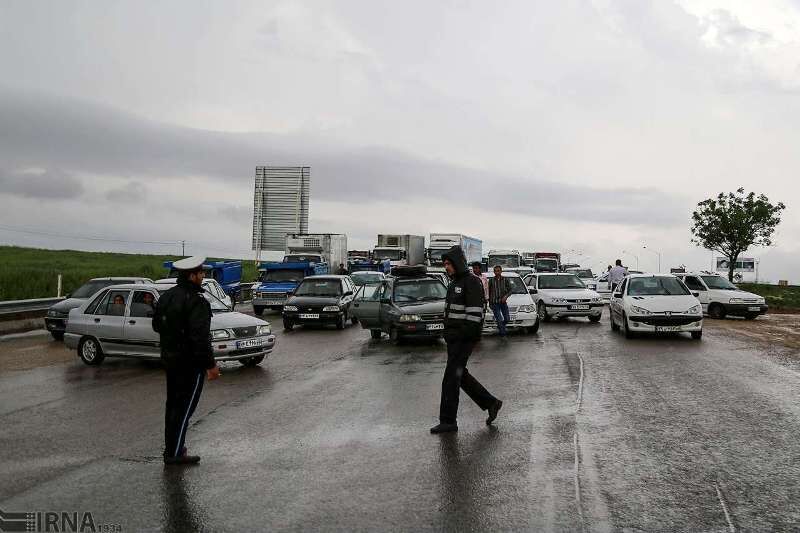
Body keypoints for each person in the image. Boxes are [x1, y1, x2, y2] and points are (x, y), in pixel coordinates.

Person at [152, 256, 220, 465]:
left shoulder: (168, 297)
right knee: (184, 409)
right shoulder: (196, 301)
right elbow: (199, 337)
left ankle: (172, 448)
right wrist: (210, 365)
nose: (203, 276)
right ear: (192, 276)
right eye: (201, 273)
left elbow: (157, 326)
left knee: (173, 406)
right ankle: (175, 453)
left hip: (171, 360)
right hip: (190, 364)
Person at [431, 245, 502, 434]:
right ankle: (491, 403)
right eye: (445, 264)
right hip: (453, 339)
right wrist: (448, 334)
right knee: (459, 376)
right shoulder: (454, 283)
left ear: (458, 263)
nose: (446, 267)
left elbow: (474, 316)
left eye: (449, 264)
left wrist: (461, 335)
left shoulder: (472, 282)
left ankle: (448, 421)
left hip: (464, 340)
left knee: (450, 379)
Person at [488, 265, 513, 337]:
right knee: (499, 319)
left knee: (507, 319)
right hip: (495, 303)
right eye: (495, 271)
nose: (497, 272)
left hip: (503, 303)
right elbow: (489, 292)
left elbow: (510, 290)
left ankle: (500, 326)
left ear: (501, 271)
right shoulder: (491, 280)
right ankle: (503, 335)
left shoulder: (505, 280)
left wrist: (506, 296)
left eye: (498, 271)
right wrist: (490, 303)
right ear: (494, 272)